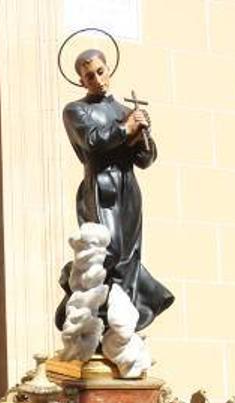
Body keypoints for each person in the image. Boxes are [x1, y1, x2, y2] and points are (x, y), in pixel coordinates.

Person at [57, 48, 174, 333]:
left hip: (128, 189)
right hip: (99, 188)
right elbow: (93, 142)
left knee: (130, 255)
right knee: (109, 252)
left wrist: (144, 135)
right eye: (88, 76)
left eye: (100, 71)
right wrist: (126, 129)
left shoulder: (125, 110)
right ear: (81, 81)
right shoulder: (76, 110)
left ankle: (123, 321)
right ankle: (84, 300)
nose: (96, 79)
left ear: (108, 70)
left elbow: (145, 160)